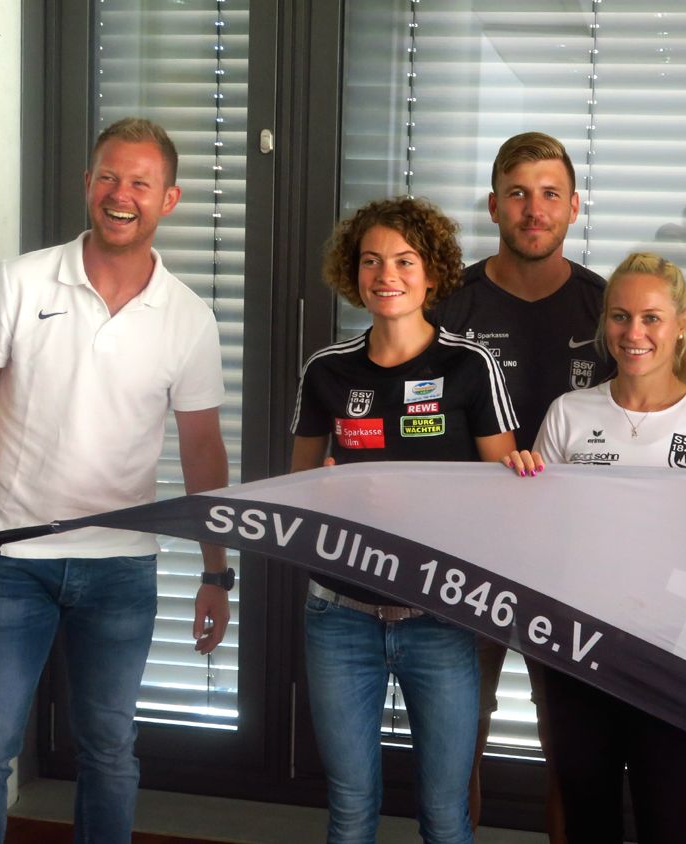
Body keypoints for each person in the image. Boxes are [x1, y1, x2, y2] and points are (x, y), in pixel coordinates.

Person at [0, 117, 231, 843]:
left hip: (121, 569)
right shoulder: (21, 280)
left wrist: (217, 572)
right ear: (88, 183)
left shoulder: (189, 318)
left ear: (169, 199)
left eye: (140, 183)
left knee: (110, 753)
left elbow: (202, 449)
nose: (121, 195)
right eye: (109, 177)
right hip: (7, 563)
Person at [503, 252, 686, 844]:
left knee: (671, 823)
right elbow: (537, 532)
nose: (633, 332)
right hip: (580, 648)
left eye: (651, 318)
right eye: (620, 317)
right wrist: (517, 482)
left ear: (681, 324)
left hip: (679, 656)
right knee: (587, 819)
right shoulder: (569, 413)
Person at [291, 196, 517, 844]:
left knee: (444, 814)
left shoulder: (469, 366)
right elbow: (297, 491)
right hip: (340, 616)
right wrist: (324, 493)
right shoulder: (327, 369)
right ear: (352, 272)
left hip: (440, 618)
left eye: (403, 260)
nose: (385, 274)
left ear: (432, 272)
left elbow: (507, 500)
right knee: (350, 807)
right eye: (370, 261)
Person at [433, 131, 612, 837]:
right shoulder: (448, 305)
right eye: (517, 194)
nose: (533, 210)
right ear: (493, 205)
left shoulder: (606, 308)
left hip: (572, 568)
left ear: (573, 206)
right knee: (456, 750)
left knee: (571, 755)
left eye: (549, 195)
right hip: (467, 559)